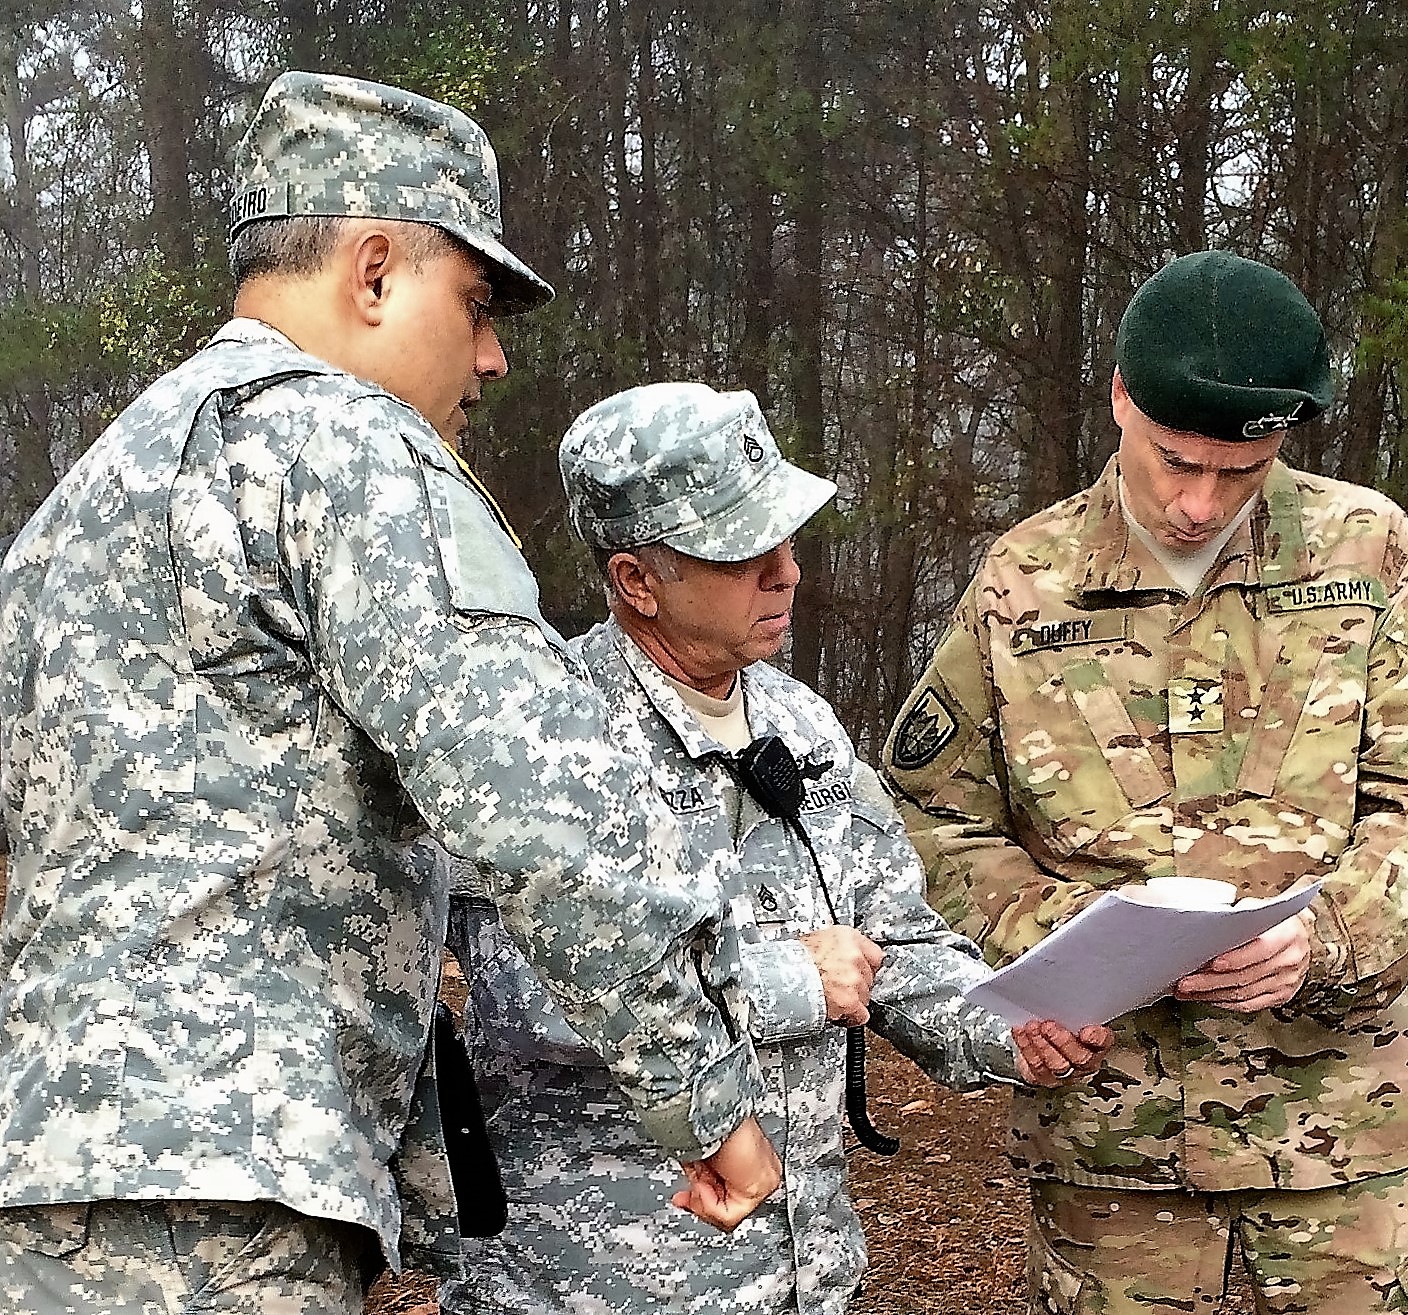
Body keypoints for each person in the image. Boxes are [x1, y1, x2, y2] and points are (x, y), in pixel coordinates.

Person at [0, 72, 779, 1315]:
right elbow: (543, 806)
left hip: (45, 1188)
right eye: (472, 301)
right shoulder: (349, 447)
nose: (490, 356)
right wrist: (705, 1091)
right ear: (371, 271)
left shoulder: (85, 498)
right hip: (230, 1203)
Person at [884, 251, 1408, 1315]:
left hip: (1349, 1145)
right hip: (1115, 1150)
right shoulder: (1024, 580)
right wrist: (1064, 941)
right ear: (1118, 395)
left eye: (1237, 471)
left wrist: (1328, 935)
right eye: (1172, 461)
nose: (1199, 502)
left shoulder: (1364, 549)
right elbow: (933, 814)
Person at [442, 381, 1113, 1315]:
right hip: (605, 1281)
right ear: (637, 579)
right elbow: (533, 993)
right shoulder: (540, 737)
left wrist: (1010, 1025)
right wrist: (793, 981)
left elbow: (894, 939)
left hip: (803, 1272)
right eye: (742, 551)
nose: (786, 571)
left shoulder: (800, 721)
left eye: (785, 538)